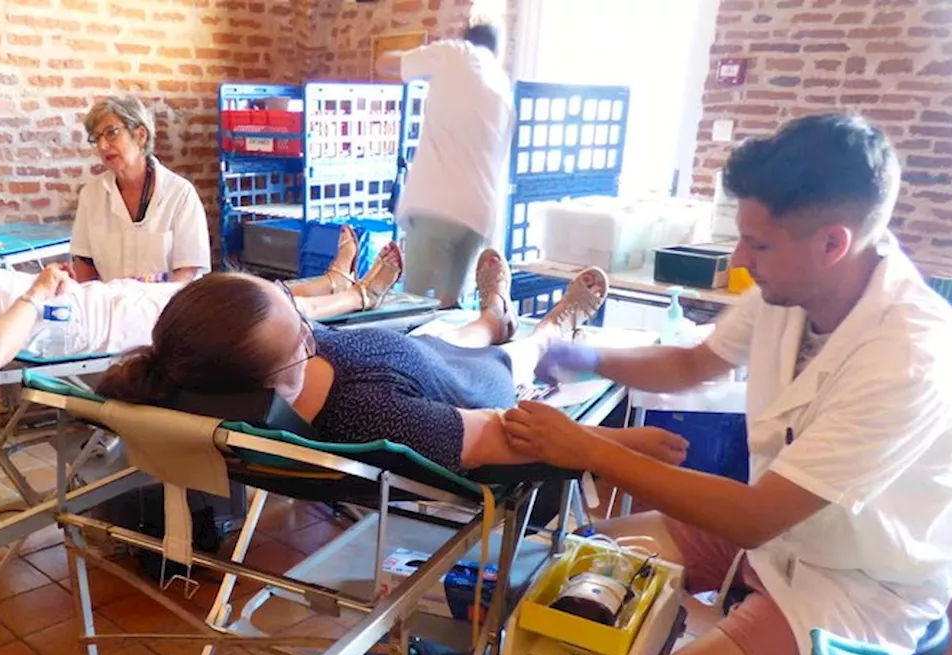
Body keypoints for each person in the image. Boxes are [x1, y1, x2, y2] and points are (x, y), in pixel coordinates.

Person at [504, 114, 952, 655]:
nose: (739, 257)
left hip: (862, 578)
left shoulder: (909, 353)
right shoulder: (794, 291)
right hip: (785, 529)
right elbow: (693, 363)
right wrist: (586, 355)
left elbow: (756, 519)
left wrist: (591, 448)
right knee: (582, 562)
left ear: (833, 243)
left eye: (758, 244)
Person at [96, 250, 687, 475]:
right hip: (452, 383)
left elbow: (303, 336)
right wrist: (620, 445)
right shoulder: (374, 422)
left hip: (412, 351)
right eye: (302, 333)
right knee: (516, 355)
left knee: (452, 330)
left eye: (294, 306)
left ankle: (493, 312)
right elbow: (504, 435)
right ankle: (551, 326)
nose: (311, 327)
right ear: (275, 383)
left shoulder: (218, 356)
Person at [0, 178, 409, 372]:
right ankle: (350, 295)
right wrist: (40, 291)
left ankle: (329, 284)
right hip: (95, 326)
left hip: (101, 303)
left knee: (216, 293)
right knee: (231, 313)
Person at [376, 20, 513, 308]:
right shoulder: (502, 84)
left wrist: (425, 61)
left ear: (466, 38)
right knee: (449, 307)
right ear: (496, 50)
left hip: (436, 205)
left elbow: (384, 63)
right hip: (479, 213)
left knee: (412, 305)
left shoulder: (456, 52)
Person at [70, 95, 210, 284]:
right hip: (111, 307)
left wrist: (151, 308)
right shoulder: (91, 195)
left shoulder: (180, 194)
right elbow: (84, 265)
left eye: (111, 133)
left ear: (140, 135)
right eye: (96, 138)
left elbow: (188, 271)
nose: (103, 146)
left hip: (167, 306)